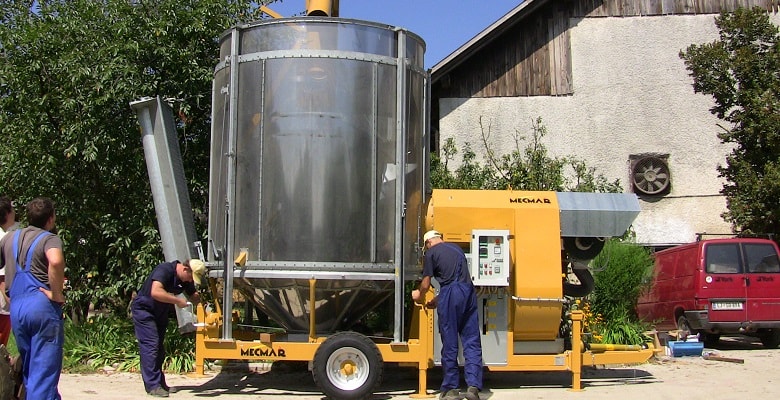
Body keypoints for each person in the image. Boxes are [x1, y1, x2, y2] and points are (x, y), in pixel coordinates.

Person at [0, 197, 66, 400]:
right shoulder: (49, 239)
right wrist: (56, 294)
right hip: (42, 306)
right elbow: (55, 261)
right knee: (44, 371)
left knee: (29, 367)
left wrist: (6, 294)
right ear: (51, 218)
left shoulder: (9, 239)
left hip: (17, 307)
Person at [412, 230, 482, 400]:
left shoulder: (431, 253)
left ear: (428, 243)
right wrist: (438, 299)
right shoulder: (457, 249)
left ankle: (451, 389)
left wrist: (419, 295)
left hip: (451, 293)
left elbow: (426, 283)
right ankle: (473, 387)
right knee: (471, 341)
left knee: (450, 341)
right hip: (468, 292)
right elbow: (456, 280)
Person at [131, 259, 204, 398]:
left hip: (160, 312)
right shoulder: (165, 270)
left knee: (159, 348)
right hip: (145, 310)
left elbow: (193, 295)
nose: (191, 280)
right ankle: (153, 386)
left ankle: (160, 383)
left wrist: (203, 308)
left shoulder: (185, 279)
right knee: (151, 346)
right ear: (185, 269)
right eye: (191, 277)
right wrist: (177, 301)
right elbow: (155, 292)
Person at [0, 196, 18, 346]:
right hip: (2, 303)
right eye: (12, 210)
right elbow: (2, 276)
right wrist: (12, 302)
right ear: (6, 213)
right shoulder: (4, 238)